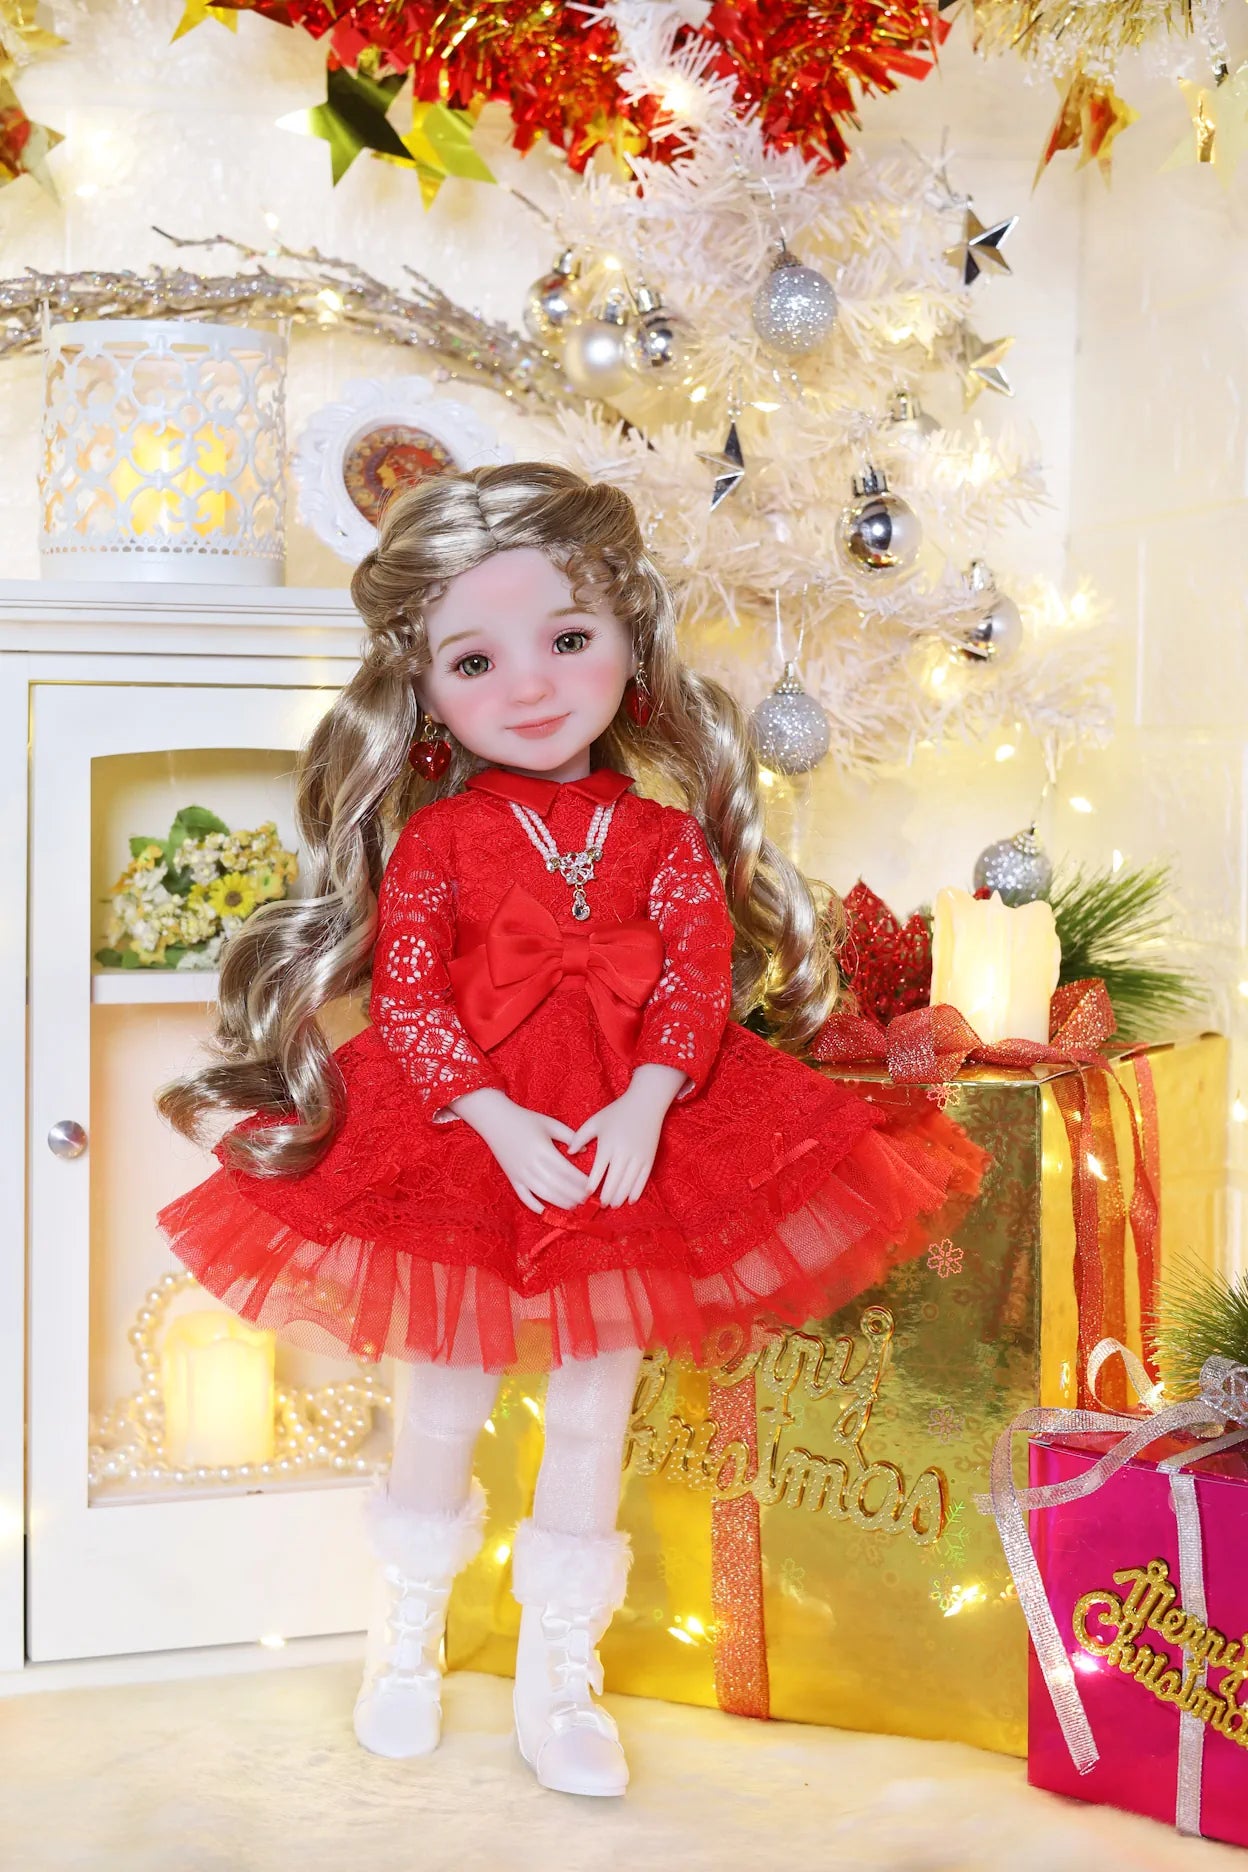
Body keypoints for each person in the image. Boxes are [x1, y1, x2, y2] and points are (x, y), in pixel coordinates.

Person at [156, 462, 981, 1799]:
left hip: (633, 1127)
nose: (532, 685)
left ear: (628, 645)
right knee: (443, 1391)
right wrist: (488, 1112)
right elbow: (411, 997)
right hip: (465, 1134)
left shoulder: (663, 838)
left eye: (570, 639)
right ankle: (404, 1644)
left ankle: (560, 1679)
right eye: (476, 660)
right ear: (423, 691)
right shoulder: (437, 845)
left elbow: (699, 979)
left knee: (597, 1404)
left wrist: (651, 1099)